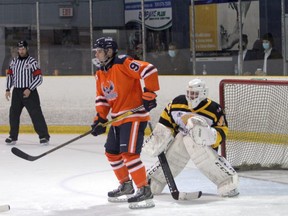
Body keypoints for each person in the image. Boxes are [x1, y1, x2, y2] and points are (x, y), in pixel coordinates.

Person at [90, 37, 160, 209]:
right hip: (117, 118)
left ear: (109, 51)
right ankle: (126, 185)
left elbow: (149, 70)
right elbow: (102, 98)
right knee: (112, 152)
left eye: (99, 50)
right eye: (96, 51)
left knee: (129, 154)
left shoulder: (124, 62)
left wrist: (149, 93)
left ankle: (144, 189)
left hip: (134, 116)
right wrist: (100, 118)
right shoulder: (100, 72)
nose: (97, 54)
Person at [143, 78, 239, 198]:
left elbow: (222, 131)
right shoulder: (177, 102)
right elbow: (166, 121)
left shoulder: (214, 109)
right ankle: (155, 180)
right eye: (189, 93)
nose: (191, 96)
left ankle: (227, 180)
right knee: (178, 144)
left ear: (203, 93)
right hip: (182, 137)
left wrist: (208, 135)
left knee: (196, 146)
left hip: (204, 145)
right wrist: (159, 138)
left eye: (194, 94)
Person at [5, 40, 50, 145]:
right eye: (19, 49)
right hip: (17, 92)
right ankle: (13, 136)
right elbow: (10, 76)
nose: (21, 51)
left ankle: (44, 136)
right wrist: (8, 89)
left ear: (26, 49)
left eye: (23, 49)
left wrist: (30, 88)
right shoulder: (14, 62)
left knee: (36, 114)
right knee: (13, 114)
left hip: (30, 92)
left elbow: (39, 78)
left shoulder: (32, 62)